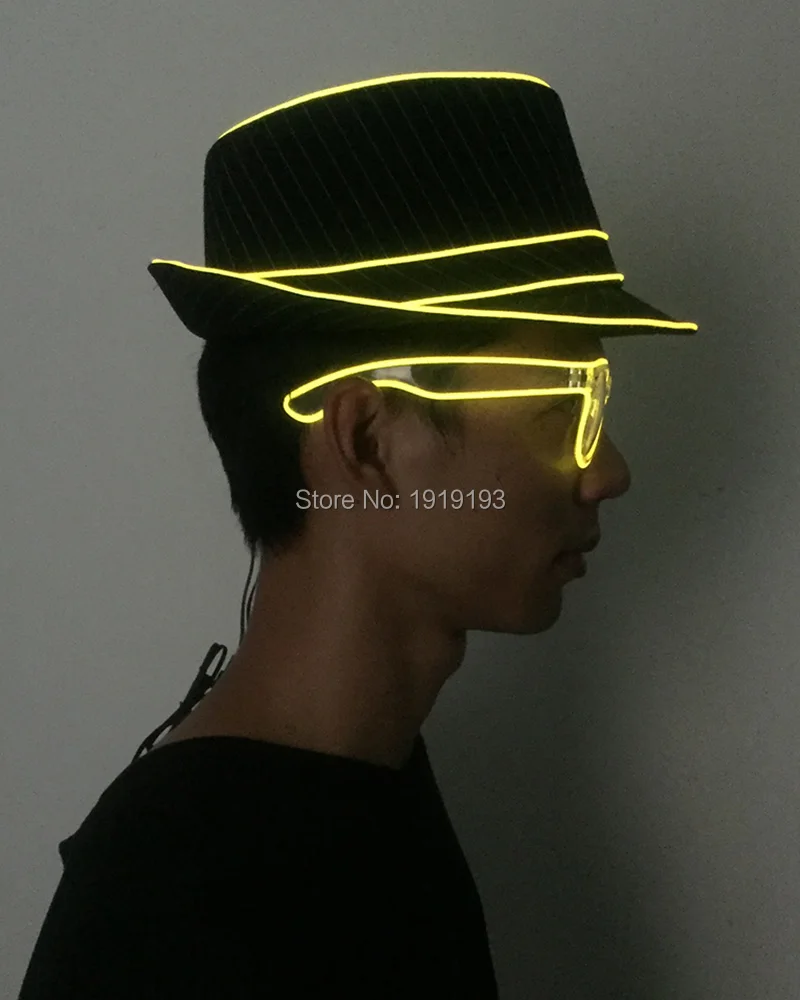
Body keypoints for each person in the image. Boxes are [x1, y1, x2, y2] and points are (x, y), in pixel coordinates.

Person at [18, 70, 696, 999]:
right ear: (369, 439)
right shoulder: (181, 903)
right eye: (561, 413)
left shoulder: (358, 783)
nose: (607, 470)